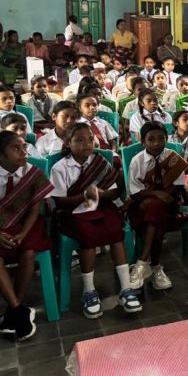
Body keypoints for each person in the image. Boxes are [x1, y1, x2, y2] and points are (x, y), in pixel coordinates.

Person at [49, 122, 142, 318]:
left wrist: (100, 194)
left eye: (90, 139)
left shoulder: (100, 162)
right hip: (73, 212)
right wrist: (85, 195)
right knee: (87, 236)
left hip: (101, 207)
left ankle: (126, 288)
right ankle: (89, 291)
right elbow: (59, 201)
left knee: (116, 232)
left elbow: (115, 190)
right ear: (68, 142)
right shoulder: (60, 167)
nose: (87, 144)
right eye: (79, 140)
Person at [0, 131, 54, 340]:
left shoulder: (32, 172)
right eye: (16, 148)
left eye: (24, 147)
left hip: (26, 223)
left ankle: (13, 310)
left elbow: (35, 208)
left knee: (28, 252)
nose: (24, 152)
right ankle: (19, 309)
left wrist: (24, 233)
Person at [126, 122, 188, 291]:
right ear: (143, 142)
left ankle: (141, 263)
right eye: (151, 139)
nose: (156, 143)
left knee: (156, 210)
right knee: (155, 211)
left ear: (167, 139)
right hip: (142, 204)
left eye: (161, 138)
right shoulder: (137, 161)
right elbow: (134, 192)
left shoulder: (173, 157)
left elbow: (178, 184)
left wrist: (163, 195)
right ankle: (154, 266)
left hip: (170, 203)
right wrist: (157, 194)